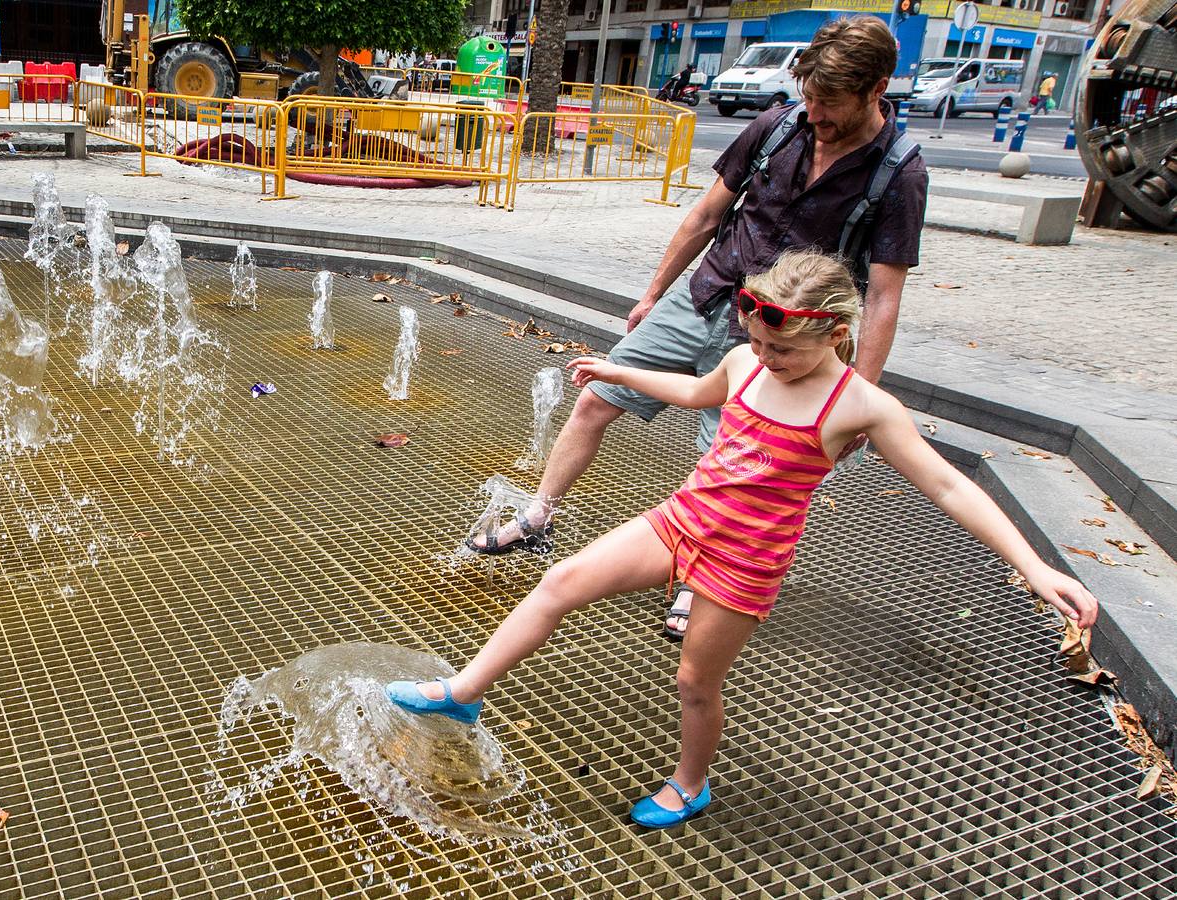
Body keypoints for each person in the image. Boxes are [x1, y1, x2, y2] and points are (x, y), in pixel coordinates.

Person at [388, 249, 1100, 829]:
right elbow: (696, 394)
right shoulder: (742, 363)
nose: (765, 357)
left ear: (833, 334)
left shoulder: (861, 406)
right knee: (558, 582)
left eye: (782, 349)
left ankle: (689, 783)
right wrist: (617, 370)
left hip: (745, 560)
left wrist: (1034, 568)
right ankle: (463, 691)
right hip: (681, 520)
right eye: (756, 341)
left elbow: (948, 487)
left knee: (694, 682)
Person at [464, 16, 928, 644]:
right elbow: (708, 213)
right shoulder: (776, 126)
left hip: (784, 331)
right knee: (595, 398)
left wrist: (859, 397)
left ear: (876, 89)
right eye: (809, 96)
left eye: (829, 102)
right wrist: (653, 295)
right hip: (707, 293)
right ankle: (539, 514)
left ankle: (700, 577)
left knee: (734, 458)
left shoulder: (898, 173)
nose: (813, 112)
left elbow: (882, 296)